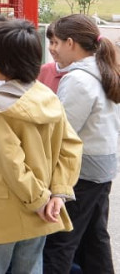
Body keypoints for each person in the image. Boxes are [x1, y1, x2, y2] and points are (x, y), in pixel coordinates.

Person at [0, 20, 81, 274]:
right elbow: (71, 147)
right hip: (42, 209)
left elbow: (12, 164)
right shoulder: (47, 95)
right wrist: (57, 194)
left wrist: (38, 200)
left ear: (6, 63)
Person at [42, 14, 120, 274]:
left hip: (80, 171)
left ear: (71, 43)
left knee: (61, 242)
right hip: (101, 166)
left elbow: (63, 131)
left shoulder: (78, 78)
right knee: (94, 240)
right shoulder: (103, 68)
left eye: (57, 42)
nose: (53, 49)